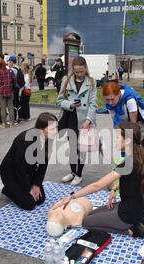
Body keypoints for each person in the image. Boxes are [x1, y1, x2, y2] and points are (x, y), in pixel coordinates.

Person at [52, 122, 144, 240]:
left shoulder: (129, 162)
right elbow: (133, 181)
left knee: (87, 222)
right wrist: (114, 189)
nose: (116, 140)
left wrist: (71, 197)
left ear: (127, 140)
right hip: (131, 208)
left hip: (128, 214)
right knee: (90, 214)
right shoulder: (137, 156)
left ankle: (131, 230)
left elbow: (96, 186)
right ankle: (136, 222)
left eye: (118, 137)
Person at [0, 112, 58, 210]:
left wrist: (36, 185)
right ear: (41, 128)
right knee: (29, 204)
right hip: (12, 173)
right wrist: (29, 189)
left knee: (40, 200)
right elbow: (19, 168)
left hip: (28, 172)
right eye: (52, 129)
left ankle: (18, 190)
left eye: (56, 127)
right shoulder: (26, 140)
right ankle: (4, 188)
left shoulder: (47, 139)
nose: (56, 131)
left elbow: (43, 166)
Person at [57, 56, 98, 186]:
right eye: (76, 72)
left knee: (82, 149)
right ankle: (73, 172)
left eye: (81, 71)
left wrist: (88, 120)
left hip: (84, 119)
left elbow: (93, 104)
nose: (79, 74)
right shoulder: (66, 80)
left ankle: (79, 174)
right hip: (70, 118)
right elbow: (59, 100)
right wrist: (70, 104)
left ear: (85, 69)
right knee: (72, 148)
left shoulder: (91, 82)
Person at [0, 58, 15, 128]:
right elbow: (14, 81)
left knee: (3, 108)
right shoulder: (10, 71)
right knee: (10, 107)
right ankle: (11, 123)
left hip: (2, 91)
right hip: (10, 91)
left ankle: (4, 124)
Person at [7, 55, 21, 124]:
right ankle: (19, 117)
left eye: (9, 61)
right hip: (17, 88)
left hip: (13, 88)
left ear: (12, 62)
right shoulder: (18, 68)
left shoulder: (12, 70)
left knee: (13, 103)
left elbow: (10, 80)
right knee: (17, 103)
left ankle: (14, 119)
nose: (8, 63)